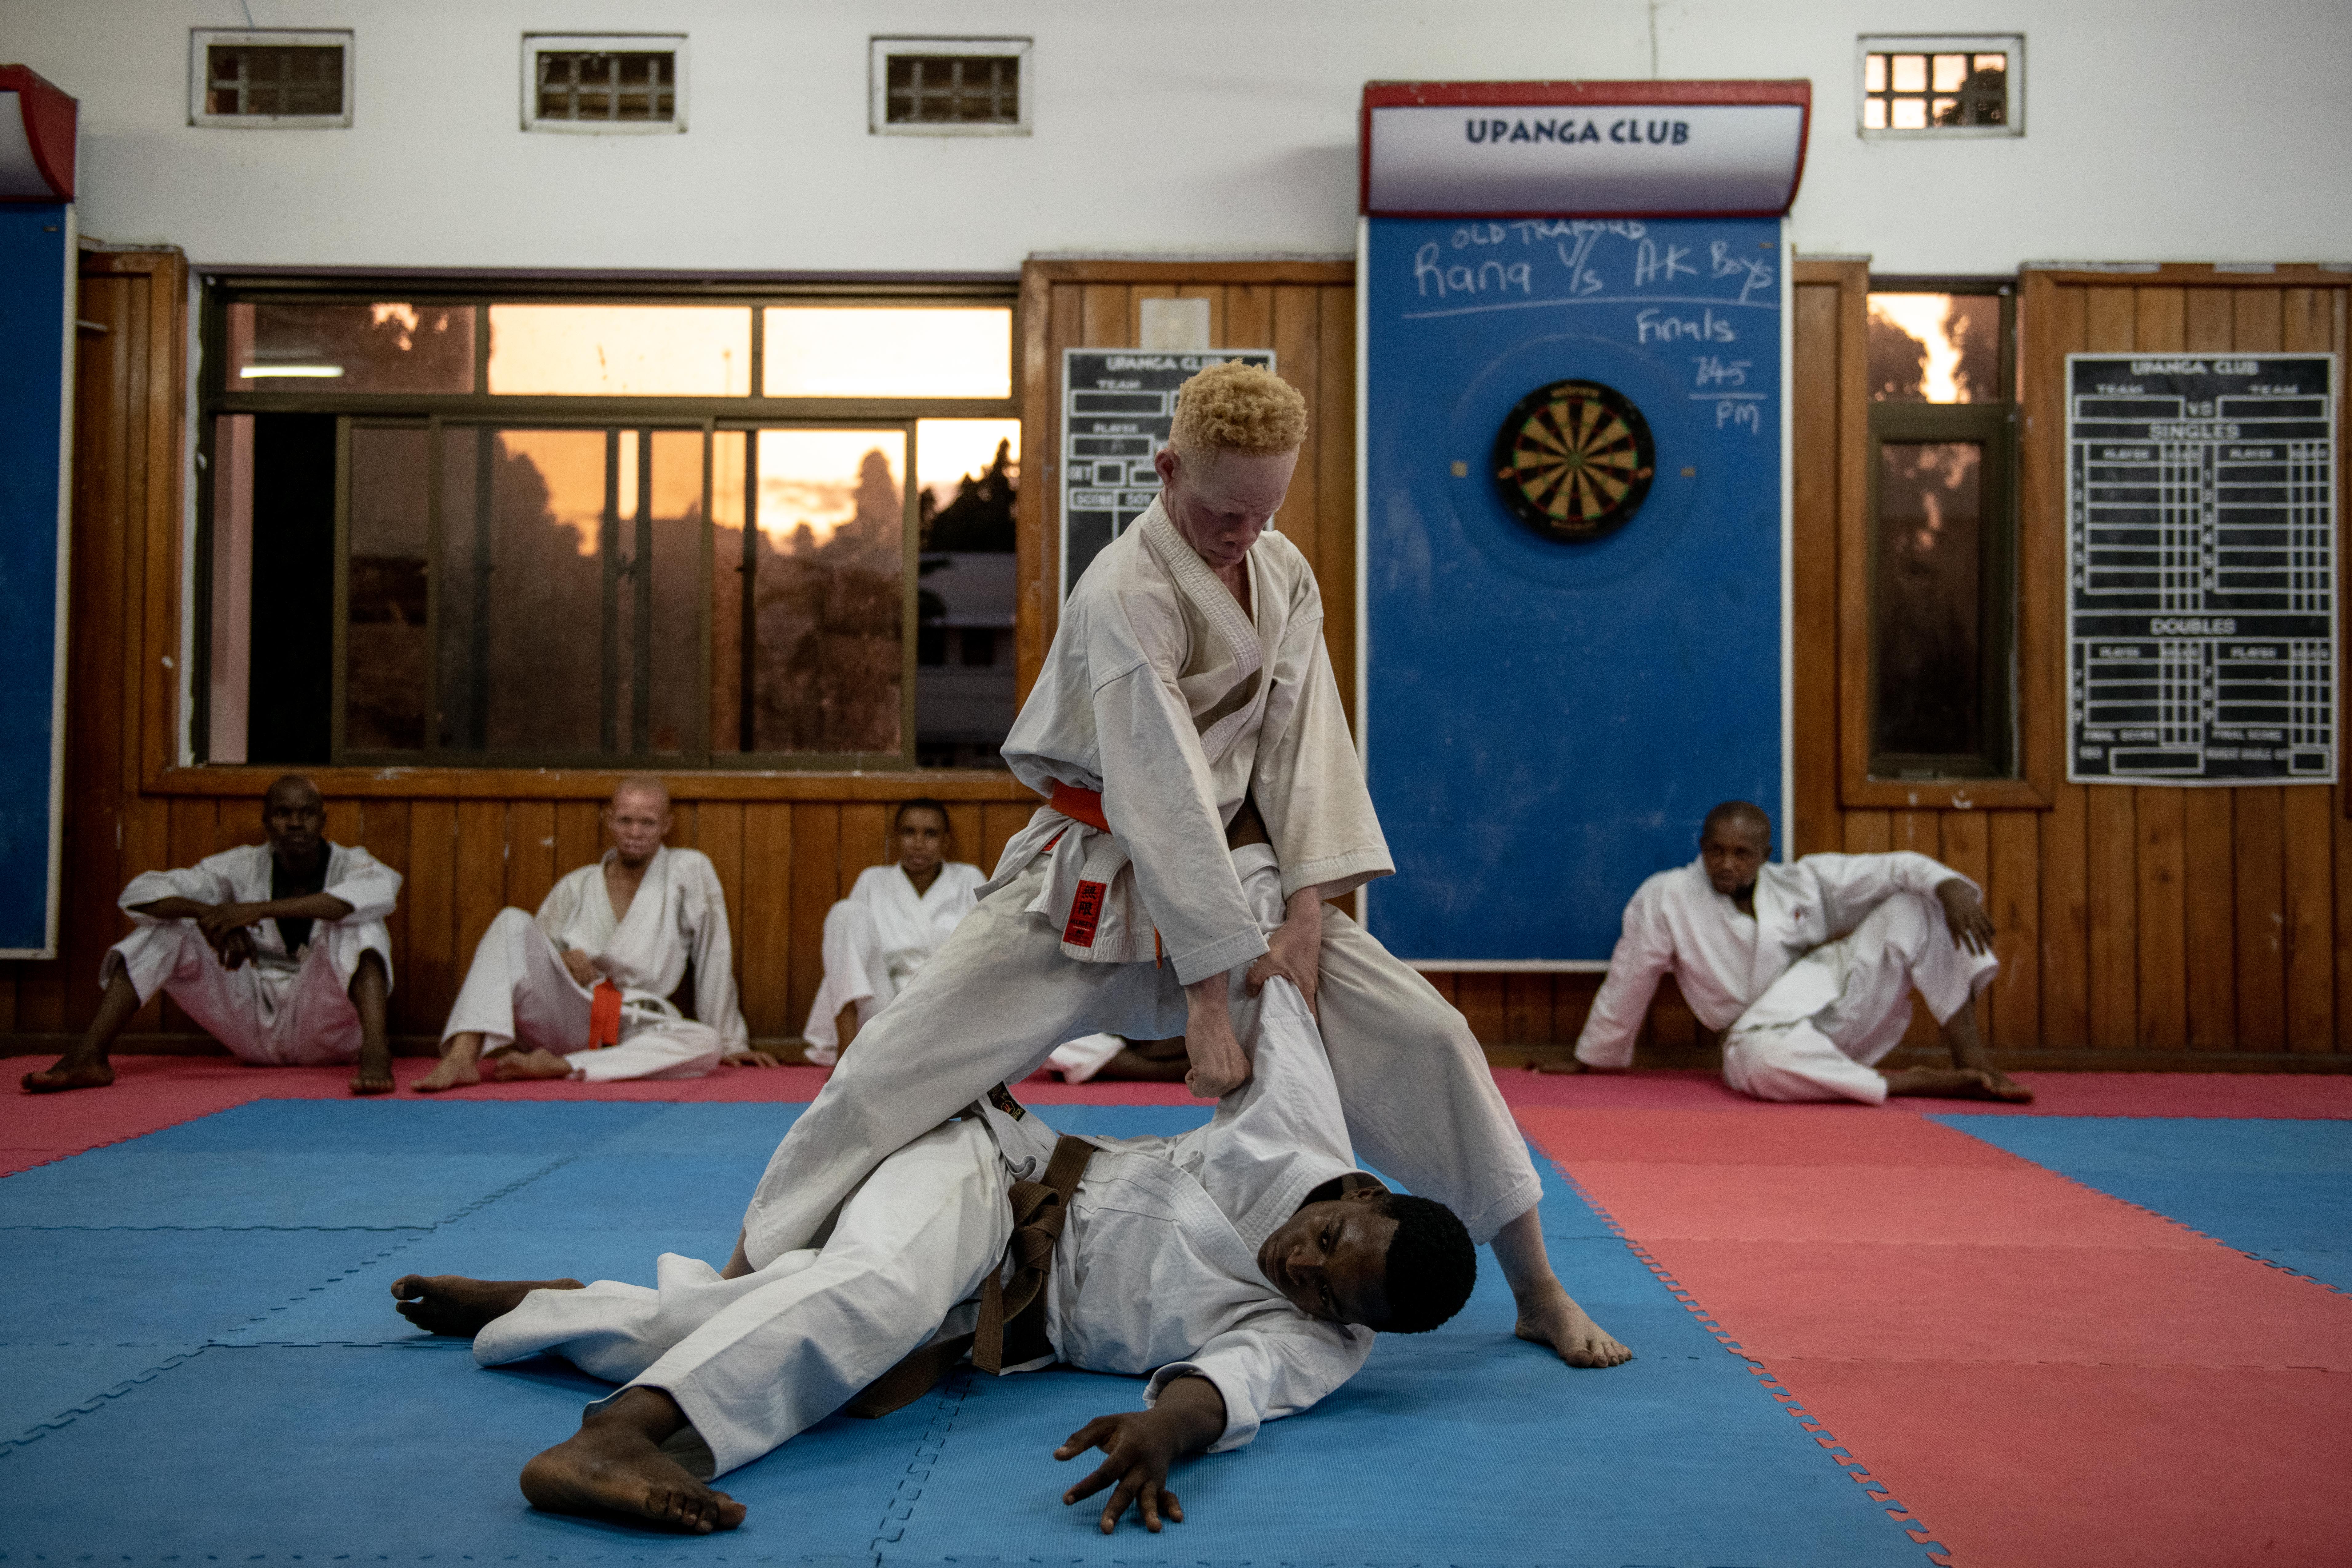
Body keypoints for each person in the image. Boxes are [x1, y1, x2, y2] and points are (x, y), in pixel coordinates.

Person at [725, 360, 1627, 1369]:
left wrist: (1305, 910)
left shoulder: (1280, 572)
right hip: (1088, 879)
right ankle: (745, 1271)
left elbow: (1301, 746)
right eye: (1222, 514)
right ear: (1165, 470)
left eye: (1262, 512)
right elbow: (1155, 797)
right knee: (890, 1065)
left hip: (1240, 880)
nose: (1242, 535)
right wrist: (1208, 996)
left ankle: (1537, 1287)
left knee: (1428, 1034)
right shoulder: (1126, 589)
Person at [387, 841, 1477, 1536]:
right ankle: (615, 1435)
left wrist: (1168, 1432)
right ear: (1363, 1193)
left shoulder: (1322, 1341)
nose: (1309, 1262)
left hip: (994, 1316)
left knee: (808, 1324)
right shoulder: (1304, 1132)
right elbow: (1278, 978)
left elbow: (1227, 1387)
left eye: (1333, 1289)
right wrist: (1259, 890)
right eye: (1335, 1235)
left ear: (1352, 1325)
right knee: (873, 1290)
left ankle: (554, 1308)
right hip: (994, 1169)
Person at [1559, 800, 2031, 1104]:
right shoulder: (1667, 896)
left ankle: (1972, 1059)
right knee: (1753, 1064)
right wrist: (1593, 1057)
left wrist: (1950, 887)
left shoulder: (1803, 883)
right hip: (1761, 1037)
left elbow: (1896, 867)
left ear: (1766, 855)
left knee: (1917, 902)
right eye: (1716, 851)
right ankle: (1921, 1084)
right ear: (1701, 847)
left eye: (1742, 854)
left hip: (1834, 1009)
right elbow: (1631, 976)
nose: (1727, 864)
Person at [21, 775, 398, 1097]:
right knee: (169, 928)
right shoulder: (241, 866)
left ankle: (376, 1053)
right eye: (284, 814)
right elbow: (140, 892)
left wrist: (255, 911)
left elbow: (361, 900)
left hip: (326, 1030)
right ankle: (89, 1055)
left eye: (307, 814)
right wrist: (211, 917)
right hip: (251, 1025)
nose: (296, 824)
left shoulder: (355, 864)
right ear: (267, 823)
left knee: (361, 924)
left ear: (323, 821)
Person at [416, 777, 772, 1091]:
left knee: (706, 1043)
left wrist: (731, 1041)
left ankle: (563, 1066)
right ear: (610, 820)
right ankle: (463, 1054)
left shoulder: (688, 871)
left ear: (667, 825)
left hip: (633, 1021)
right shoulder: (578, 885)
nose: (635, 833)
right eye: (626, 821)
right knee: (511, 921)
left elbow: (716, 952)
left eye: (647, 823)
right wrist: (561, 959)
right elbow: (530, 953)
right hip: (573, 1010)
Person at [801, 799, 985, 1064]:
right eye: (909, 832)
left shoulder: (968, 879)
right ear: (895, 838)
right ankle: (847, 1051)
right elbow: (847, 961)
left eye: (930, 834)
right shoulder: (873, 881)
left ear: (946, 841)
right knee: (845, 912)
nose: (918, 843)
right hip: (884, 1009)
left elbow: (984, 953)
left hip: (947, 1007)